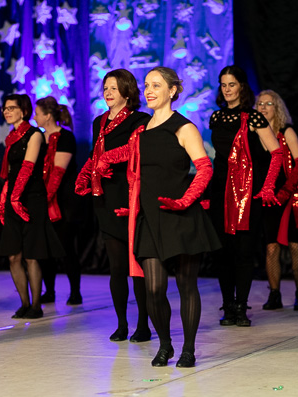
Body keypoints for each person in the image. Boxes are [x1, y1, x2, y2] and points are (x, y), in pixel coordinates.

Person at [112, 67, 220, 368]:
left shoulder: (183, 128)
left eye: (156, 85)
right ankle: (165, 344)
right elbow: (137, 175)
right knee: (153, 289)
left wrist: (185, 200)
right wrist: (132, 207)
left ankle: (188, 349)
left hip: (182, 216)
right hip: (150, 218)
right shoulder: (140, 132)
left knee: (186, 285)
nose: (149, 90)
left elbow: (205, 168)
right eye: (147, 85)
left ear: (172, 91)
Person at [75, 69, 151, 342]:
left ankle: (143, 325)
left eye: (113, 88)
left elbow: (134, 150)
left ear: (127, 92)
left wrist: (106, 159)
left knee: (137, 267)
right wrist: (85, 175)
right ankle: (121, 324)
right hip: (105, 199)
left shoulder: (140, 120)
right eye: (105, 88)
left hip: (130, 198)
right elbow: (95, 153)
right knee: (116, 267)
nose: (107, 92)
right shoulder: (99, 121)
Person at [208, 66, 284, 327]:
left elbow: (277, 153)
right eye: (223, 84)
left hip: (247, 194)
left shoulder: (254, 118)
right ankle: (228, 306)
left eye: (232, 84)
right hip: (220, 192)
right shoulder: (216, 117)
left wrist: (268, 186)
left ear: (242, 86)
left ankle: (241, 306)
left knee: (243, 251)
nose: (227, 89)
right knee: (222, 252)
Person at [0, 93, 64, 320]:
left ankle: (36, 305)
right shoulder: (11, 137)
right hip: (13, 199)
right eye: (5, 108)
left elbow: (27, 167)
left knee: (31, 256)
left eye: (11, 108)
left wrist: (16, 198)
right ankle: (24, 303)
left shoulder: (34, 134)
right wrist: (6, 199)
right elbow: (10, 174)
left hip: (31, 199)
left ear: (24, 111)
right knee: (13, 256)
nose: (7, 112)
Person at [254, 90, 298, 311]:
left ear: (277, 107)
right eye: (260, 104)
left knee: (296, 247)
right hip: (267, 199)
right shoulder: (254, 134)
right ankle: (274, 295)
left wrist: (286, 190)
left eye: (268, 103)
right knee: (271, 248)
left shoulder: (287, 131)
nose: (263, 107)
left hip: (289, 196)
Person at [35, 96, 82, 306]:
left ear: (47, 116)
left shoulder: (66, 137)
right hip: (43, 198)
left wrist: (45, 200)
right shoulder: (37, 138)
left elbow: (57, 174)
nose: (35, 117)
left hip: (63, 200)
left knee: (66, 247)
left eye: (37, 114)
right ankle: (50, 291)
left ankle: (75, 292)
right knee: (44, 249)